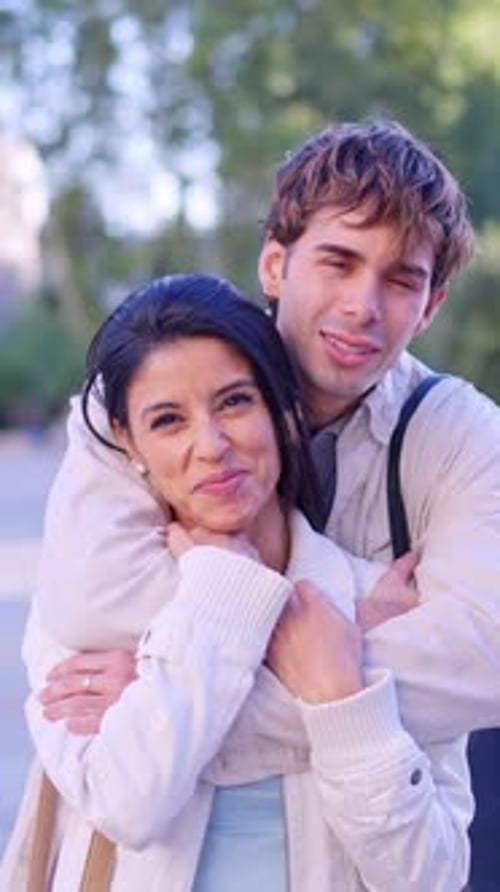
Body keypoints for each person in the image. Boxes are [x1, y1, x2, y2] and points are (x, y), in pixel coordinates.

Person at [1, 274, 472, 891]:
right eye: (168, 420)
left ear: (282, 410)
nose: (211, 445)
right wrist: (224, 589)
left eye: (233, 402)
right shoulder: (81, 606)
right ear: (128, 442)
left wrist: (347, 708)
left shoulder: (377, 607)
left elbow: (431, 876)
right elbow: (129, 802)